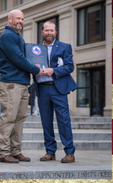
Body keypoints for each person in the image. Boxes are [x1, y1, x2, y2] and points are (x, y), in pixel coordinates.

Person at [0, 9, 45, 163]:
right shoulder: (8, 35)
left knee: (19, 119)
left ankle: (15, 151)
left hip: (22, 83)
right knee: (9, 118)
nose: (20, 21)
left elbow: (25, 57)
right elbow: (18, 59)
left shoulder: (17, 36)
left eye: (22, 19)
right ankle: (3, 153)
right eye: (18, 18)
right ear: (9, 19)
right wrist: (38, 69)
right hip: (11, 83)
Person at [34, 21, 78, 163]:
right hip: (42, 88)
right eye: (46, 30)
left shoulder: (65, 47)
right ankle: (50, 152)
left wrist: (53, 70)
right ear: (42, 32)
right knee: (46, 122)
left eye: (51, 30)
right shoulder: (35, 49)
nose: (49, 33)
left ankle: (70, 152)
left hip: (58, 89)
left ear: (56, 32)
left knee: (64, 121)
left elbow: (70, 67)